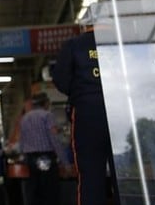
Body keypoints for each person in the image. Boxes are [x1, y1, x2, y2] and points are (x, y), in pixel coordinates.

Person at [52, 28, 120, 205]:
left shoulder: (74, 45)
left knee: (90, 176)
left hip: (87, 111)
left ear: (84, 25)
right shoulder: (117, 43)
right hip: (119, 110)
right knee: (124, 175)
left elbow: (60, 79)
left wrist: (79, 92)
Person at [19, 92, 68, 205]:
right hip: (45, 158)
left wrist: (23, 157)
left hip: (30, 158)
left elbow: (22, 141)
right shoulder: (47, 115)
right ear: (45, 103)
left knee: (34, 190)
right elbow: (54, 140)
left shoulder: (25, 118)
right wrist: (65, 162)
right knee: (49, 190)